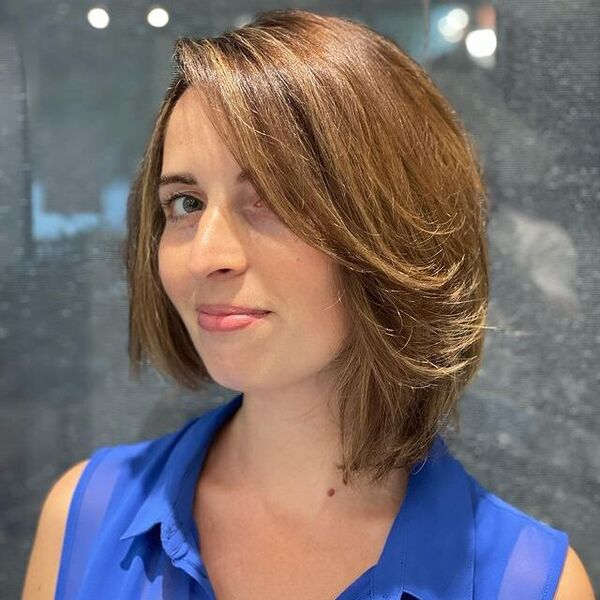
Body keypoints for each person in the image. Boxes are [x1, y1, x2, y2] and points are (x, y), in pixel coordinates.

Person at [22, 8, 595, 600]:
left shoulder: (526, 584)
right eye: (186, 204)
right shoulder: (83, 522)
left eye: (268, 197)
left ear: (390, 229)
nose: (204, 257)